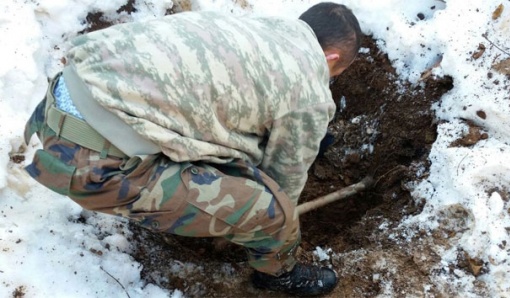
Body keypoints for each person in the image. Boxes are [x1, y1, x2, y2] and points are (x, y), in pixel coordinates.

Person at [24, 2, 362, 296]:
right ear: (332, 56)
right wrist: (274, 226)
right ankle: (278, 275)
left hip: (54, 108)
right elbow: (283, 182)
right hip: (87, 163)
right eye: (336, 71)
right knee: (271, 212)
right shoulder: (309, 93)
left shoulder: (250, 28)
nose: (329, 78)